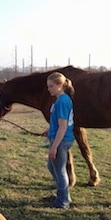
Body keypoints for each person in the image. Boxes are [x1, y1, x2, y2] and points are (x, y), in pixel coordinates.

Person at [43, 72, 75, 209]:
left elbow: (63, 127)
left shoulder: (62, 101)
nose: (48, 89)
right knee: (52, 167)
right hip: (58, 138)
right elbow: (58, 124)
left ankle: (63, 201)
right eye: (48, 86)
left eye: (51, 86)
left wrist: (54, 147)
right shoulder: (60, 100)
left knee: (60, 170)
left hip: (61, 141)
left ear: (60, 86)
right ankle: (63, 194)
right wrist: (49, 131)